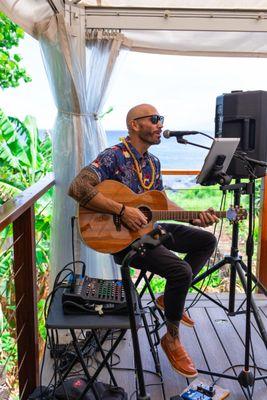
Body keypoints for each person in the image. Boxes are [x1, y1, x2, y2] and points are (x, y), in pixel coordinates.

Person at [68, 103, 218, 378]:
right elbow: (78, 187)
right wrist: (122, 211)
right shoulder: (113, 156)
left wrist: (191, 216)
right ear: (134, 125)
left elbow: (159, 202)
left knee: (205, 241)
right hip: (124, 242)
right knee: (180, 270)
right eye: (155, 119)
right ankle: (171, 338)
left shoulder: (153, 162)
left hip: (150, 232)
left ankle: (169, 299)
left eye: (161, 119)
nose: (161, 124)